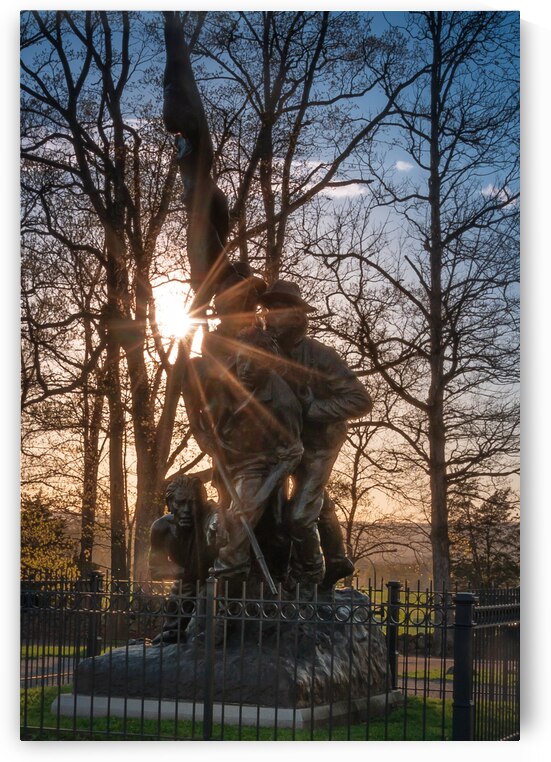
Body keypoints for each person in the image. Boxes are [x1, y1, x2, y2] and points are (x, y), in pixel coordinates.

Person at [260, 280, 373, 589]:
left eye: (278, 310)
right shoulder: (267, 350)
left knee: (298, 517)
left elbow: (361, 401)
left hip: (319, 445)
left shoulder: (321, 356)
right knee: (306, 503)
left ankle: (308, 578)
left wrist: (314, 409)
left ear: (297, 315)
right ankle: (337, 560)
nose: (269, 316)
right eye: (267, 309)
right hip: (285, 443)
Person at [211, 326, 303, 590]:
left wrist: (261, 494)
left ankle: (225, 593)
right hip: (227, 463)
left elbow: (293, 453)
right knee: (217, 524)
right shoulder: (225, 378)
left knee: (238, 525)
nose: (246, 368)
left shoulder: (283, 401)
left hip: (259, 467)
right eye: (242, 359)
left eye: (255, 363)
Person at [149, 475, 216, 643]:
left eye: (193, 503)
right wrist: (186, 573)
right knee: (177, 607)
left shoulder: (209, 520)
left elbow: (217, 511)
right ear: (170, 504)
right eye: (181, 502)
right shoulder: (161, 528)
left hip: (215, 582)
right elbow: (155, 569)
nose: (187, 509)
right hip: (186, 581)